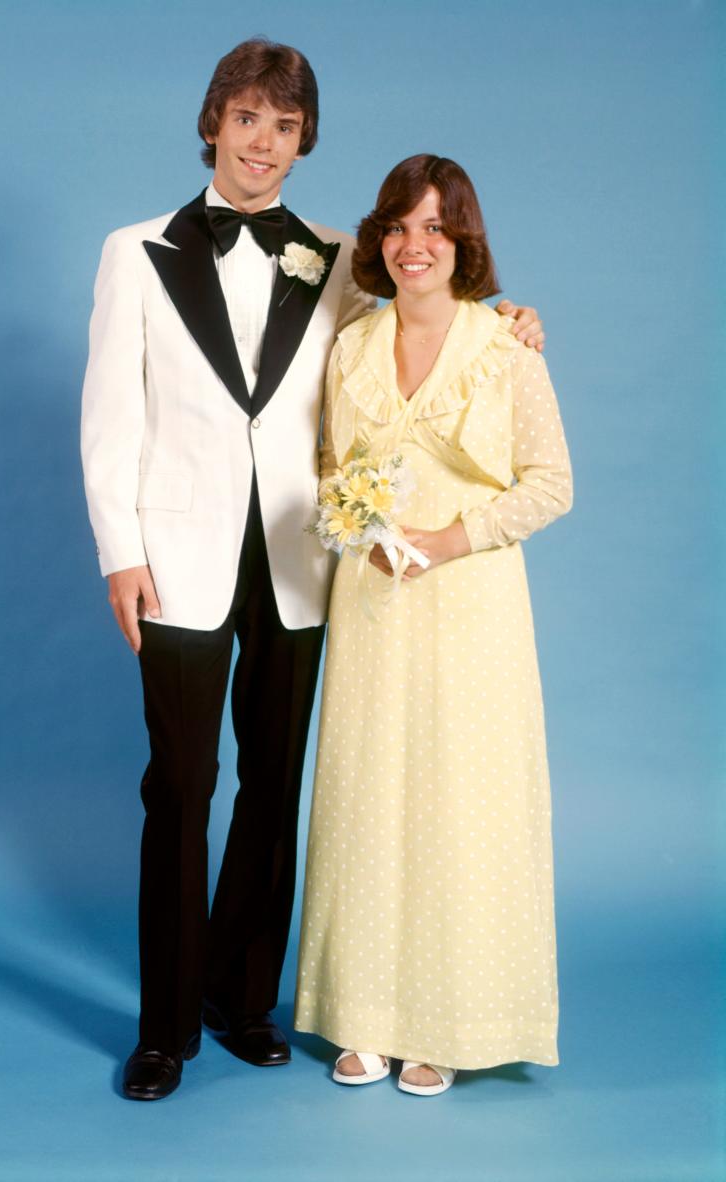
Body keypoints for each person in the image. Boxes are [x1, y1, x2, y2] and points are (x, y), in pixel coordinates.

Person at [81, 41, 544, 1102]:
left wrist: (514, 317)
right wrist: (122, 553)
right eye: (246, 119)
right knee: (182, 789)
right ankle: (165, 1031)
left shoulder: (344, 253)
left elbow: (430, 314)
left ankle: (242, 1003)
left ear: (304, 141)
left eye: (284, 127)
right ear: (213, 125)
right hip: (179, 561)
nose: (262, 143)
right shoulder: (135, 250)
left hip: (306, 562)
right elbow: (109, 421)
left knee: (275, 787)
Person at [294, 155, 572, 1096]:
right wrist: (359, 530)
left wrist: (453, 538)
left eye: (435, 230)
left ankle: (446, 1024)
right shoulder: (351, 346)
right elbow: (330, 465)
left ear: (464, 244)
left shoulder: (504, 347)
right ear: (379, 241)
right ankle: (364, 1013)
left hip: (471, 606)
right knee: (370, 798)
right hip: (374, 603)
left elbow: (552, 484)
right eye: (400, 229)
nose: (416, 247)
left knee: (460, 806)